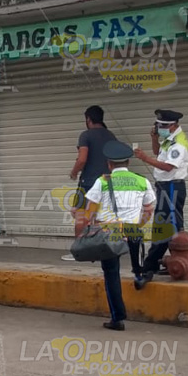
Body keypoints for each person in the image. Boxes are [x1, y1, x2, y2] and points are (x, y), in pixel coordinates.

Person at [78, 140, 156, 331]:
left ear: (109, 164)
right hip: (132, 228)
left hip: (109, 232)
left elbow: (90, 211)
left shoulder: (103, 181)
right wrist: (138, 225)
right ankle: (138, 275)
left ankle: (117, 318)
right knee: (137, 256)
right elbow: (149, 208)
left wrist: (86, 228)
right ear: (128, 163)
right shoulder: (141, 180)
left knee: (111, 274)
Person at [134, 109, 188, 286]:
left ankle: (150, 265)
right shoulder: (170, 139)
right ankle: (176, 259)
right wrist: (153, 139)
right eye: (158, 125)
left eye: (163, 126)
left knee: (164, 225)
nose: (160, 128)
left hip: (172, 186)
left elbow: (168, 166)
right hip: (166, 187)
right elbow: (159, 152)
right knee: (173, 226)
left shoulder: (179, 143)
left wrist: (144, 158)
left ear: (174, 125)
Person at [63, 105, 118, 261]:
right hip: (108, 182)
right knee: (100, 218)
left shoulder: (86, 135)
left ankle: (79, 252)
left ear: (88, 119)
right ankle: (100, 251)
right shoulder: (111, 136)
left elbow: (82, 159)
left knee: (81, 216)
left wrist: (74, 172)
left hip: (88, 182)